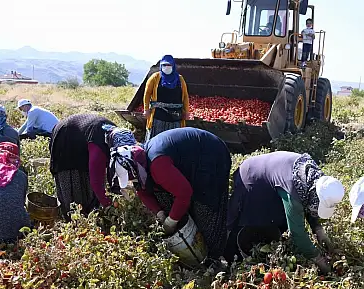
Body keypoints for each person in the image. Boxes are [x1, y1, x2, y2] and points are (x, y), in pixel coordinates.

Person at [109, 128, 231, 261]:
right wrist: (159, 213)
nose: (132, 181)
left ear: (135, 167)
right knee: (168, 198)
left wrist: (172, 220)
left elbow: (185, 193)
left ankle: (216, 257)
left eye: (131, 177)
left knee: (205, 207)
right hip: (190, 160)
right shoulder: (140, 162)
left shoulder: (158, 165)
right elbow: (142, 190)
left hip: (211, 155)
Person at [225, 151, 344, 272]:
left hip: (272, 176)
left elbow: (309, 201)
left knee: (283, 216)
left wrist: (318, 229)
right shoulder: (293, 187)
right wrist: (317, 258)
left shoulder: (313, 177)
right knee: (257, 217)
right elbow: (297, 233)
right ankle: (231, 256)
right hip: (252, 177)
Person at [49, 114, 136, 219]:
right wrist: (108, 205)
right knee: (76, 182)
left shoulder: (119, 136)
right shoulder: (98, 147)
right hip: (65, 137)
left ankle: (90, 209)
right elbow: (96, 182)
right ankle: (75, 217)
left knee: (91, 184)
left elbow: (119, 165)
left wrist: (117, 189)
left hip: (82, 134)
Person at [142, 55, 190, 143]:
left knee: (174, 142)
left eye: (169, 65)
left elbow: (185, 96)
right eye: (164, 65)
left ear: (173, 66)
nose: (166, 67)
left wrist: (186, 112)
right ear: (161, 66)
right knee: (156, 142)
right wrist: (146, 109)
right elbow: (147, 93)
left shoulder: (180, 79)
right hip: (158, 116)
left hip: (175, 117)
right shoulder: (155, 78)